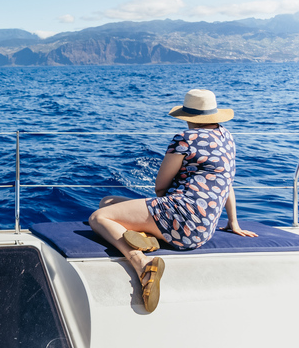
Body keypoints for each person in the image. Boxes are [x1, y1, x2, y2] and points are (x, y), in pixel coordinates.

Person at [88, 89, 257, 313]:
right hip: (204, 231)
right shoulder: (227, 138)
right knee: (108, 202)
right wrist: (233, 222)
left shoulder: (185, 139)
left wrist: (163, 209)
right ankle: (146, 236)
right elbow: (226, 182)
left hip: (181, 219)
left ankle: (142, 265)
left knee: (98, 217)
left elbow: (160, 187)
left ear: (188, 117)